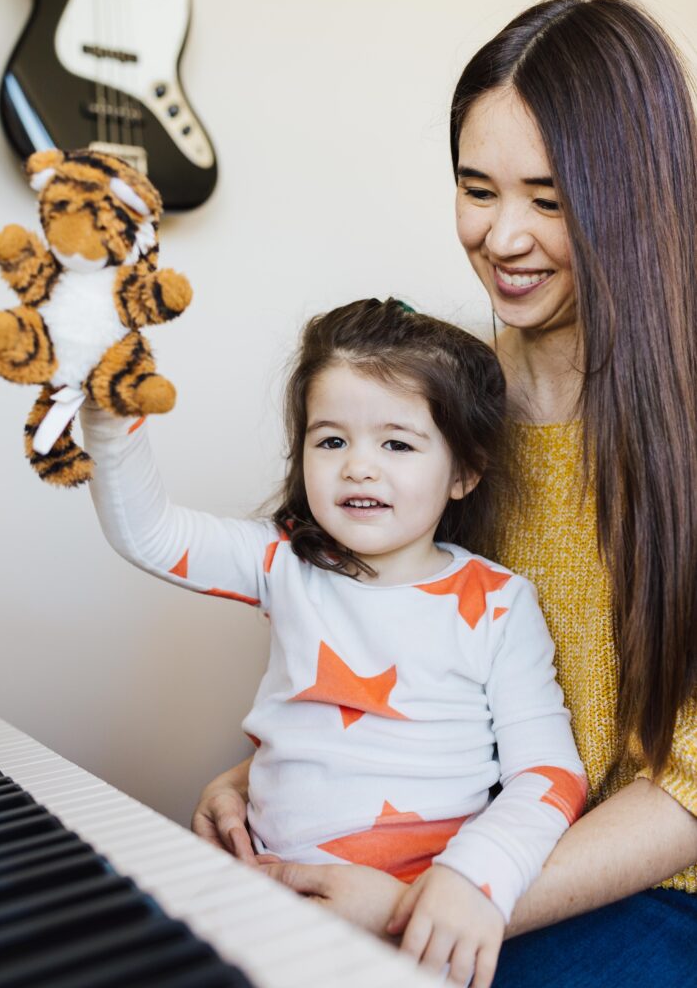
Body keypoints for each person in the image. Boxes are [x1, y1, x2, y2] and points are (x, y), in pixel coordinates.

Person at [192, 0, 697, 988]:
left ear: (633, 199)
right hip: (460, 849)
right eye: (476, 188)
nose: (501, 235)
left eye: (547, 200)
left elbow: (687, 785)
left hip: (644, 887)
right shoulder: (434, 407)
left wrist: (441, 895)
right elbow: (390, 644)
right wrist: (281, 769)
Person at [82, 297, 586, 987]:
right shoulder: (283, 562)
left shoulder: (498, 602)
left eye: (397, 443)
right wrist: (111, 427)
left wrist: (473, 880)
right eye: (331, 440)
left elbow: (550, 775)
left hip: (419, 923)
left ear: (464, 473)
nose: (358, 467)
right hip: (261, 897)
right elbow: (151, 536)